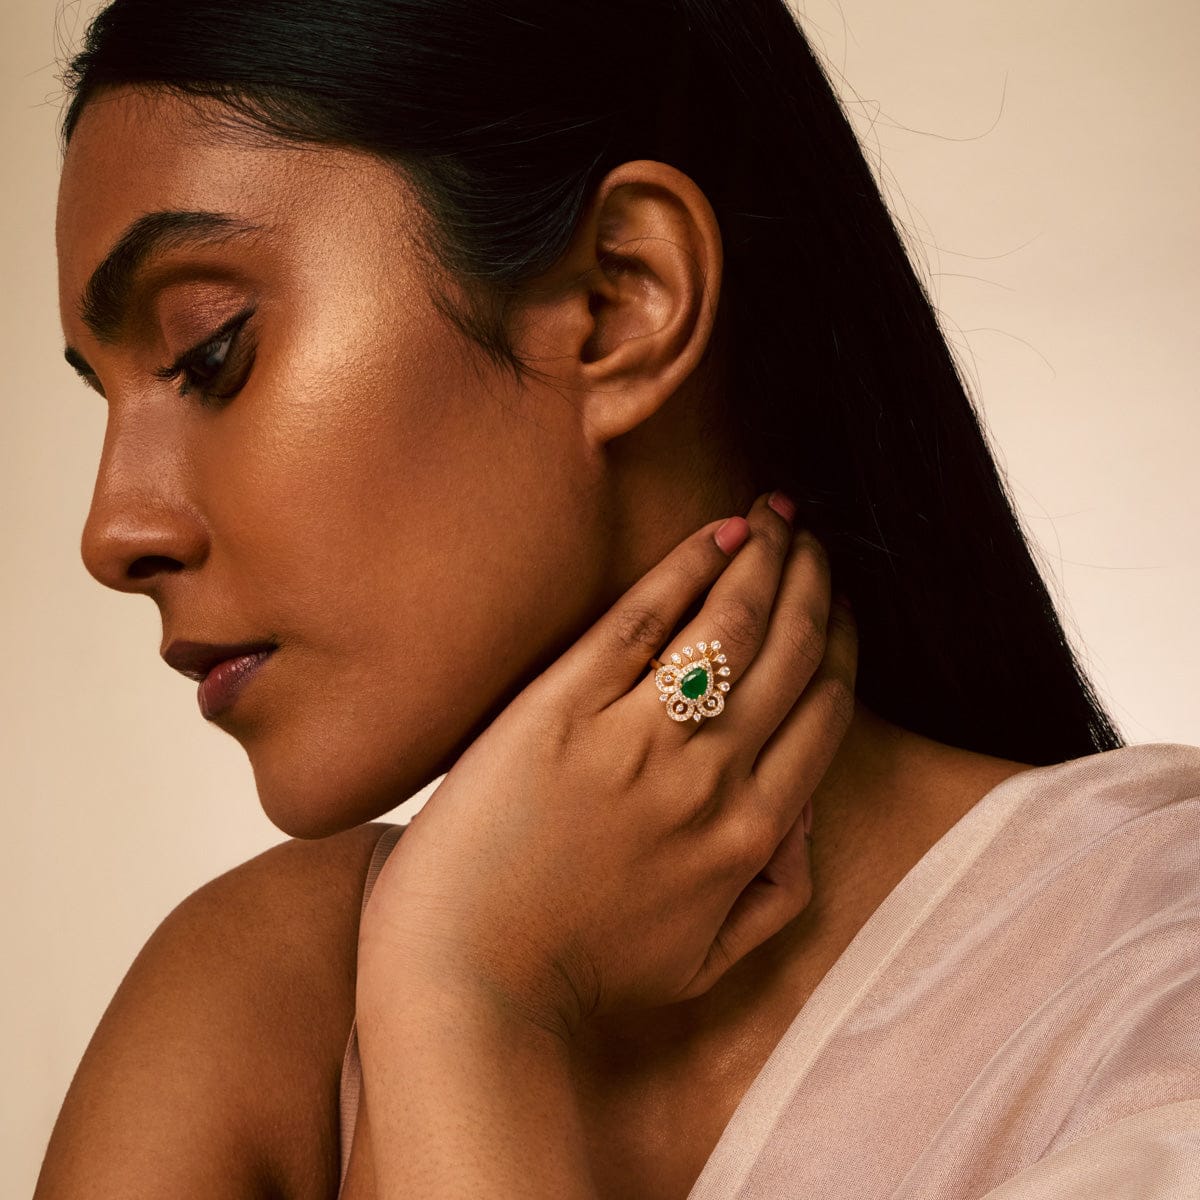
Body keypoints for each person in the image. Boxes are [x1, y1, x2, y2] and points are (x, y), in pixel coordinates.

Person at [37, 0, 1200, 1196]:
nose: (112, 531)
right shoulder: (259, 1004)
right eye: (105, 398)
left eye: (210, 350)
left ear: (621, 299)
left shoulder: (1154, 988)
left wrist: (467, 1003)